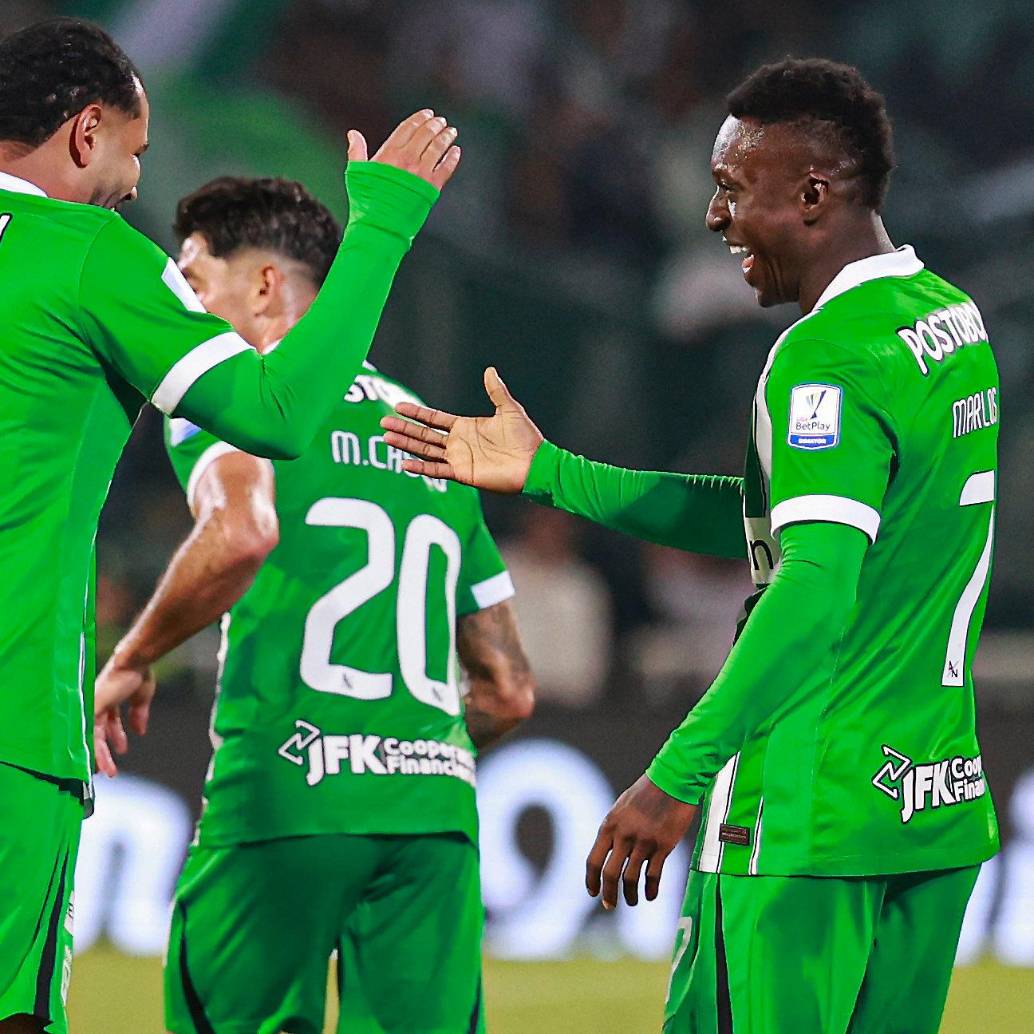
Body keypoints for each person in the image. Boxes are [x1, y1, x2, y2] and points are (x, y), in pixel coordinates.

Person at [380, 58, 999, 1033]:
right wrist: (550, 471)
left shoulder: (824, 354)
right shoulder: (944, 320)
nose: (712, 220)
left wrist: (674, 774)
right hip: (927, 804)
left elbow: (813, 582)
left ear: (808, 194)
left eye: (728, 190)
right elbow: (778, 521)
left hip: (804, 815)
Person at [0, 17, 458, 1034]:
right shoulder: (84, 252)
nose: (134, 183)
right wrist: (381, 225)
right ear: (85, 134)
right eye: (134, 151)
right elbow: (279, 414)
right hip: (10, 712)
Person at [93, 176, 536, 1034]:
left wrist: (133, 655)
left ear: (263, 285)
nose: (181, 306)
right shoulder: (433, 434)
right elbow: (510, 688)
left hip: (287, 802)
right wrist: (394, 757)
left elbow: (238, 531)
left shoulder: (240, 404)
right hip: (431, 818)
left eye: (192, 281)